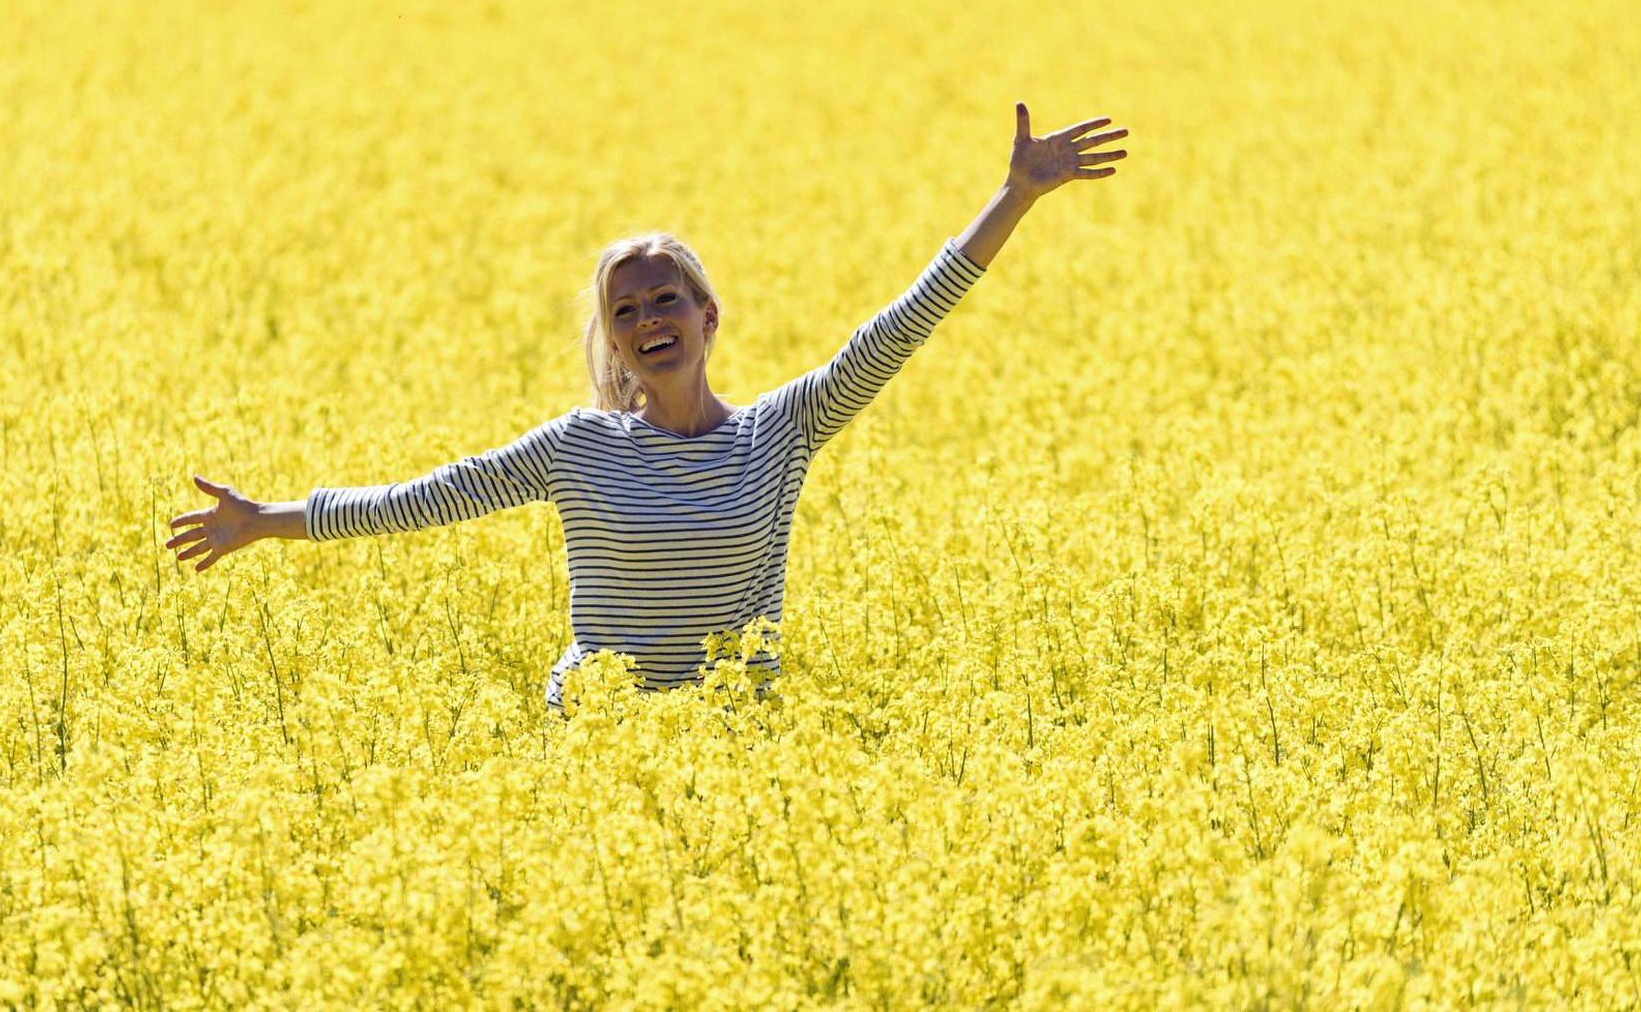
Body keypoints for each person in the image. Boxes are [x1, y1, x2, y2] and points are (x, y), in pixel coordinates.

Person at [166, 101, 1129, 715]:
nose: (646, 319)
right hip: (599, 735)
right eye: (624, 311)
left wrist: (1015, 199)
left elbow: (897, 329)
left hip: (733, 742)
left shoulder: (779, 432)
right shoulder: (580, 448)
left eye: (665, 299)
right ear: (615, 342)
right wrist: (265, 523)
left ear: (707, 316)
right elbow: (423, 499)